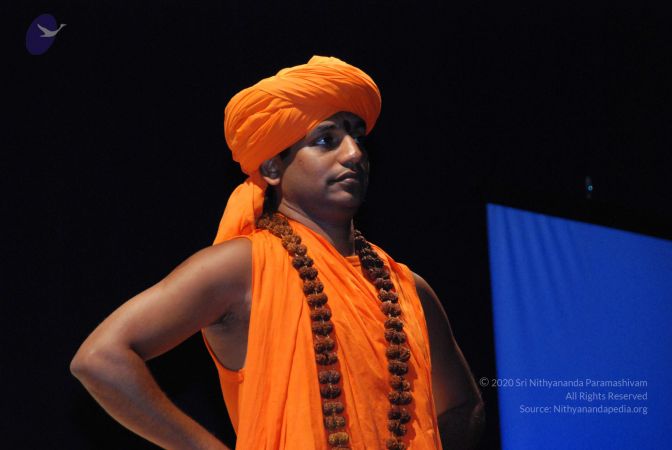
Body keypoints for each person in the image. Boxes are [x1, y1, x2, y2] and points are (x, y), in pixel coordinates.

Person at [71, 56, 484, 450]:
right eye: (326, 140)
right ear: (272, 168)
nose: (354, 154)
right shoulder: (241, 267)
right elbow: (100, 358)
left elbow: (464, 407)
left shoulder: (407, 288)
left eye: (357, 137)